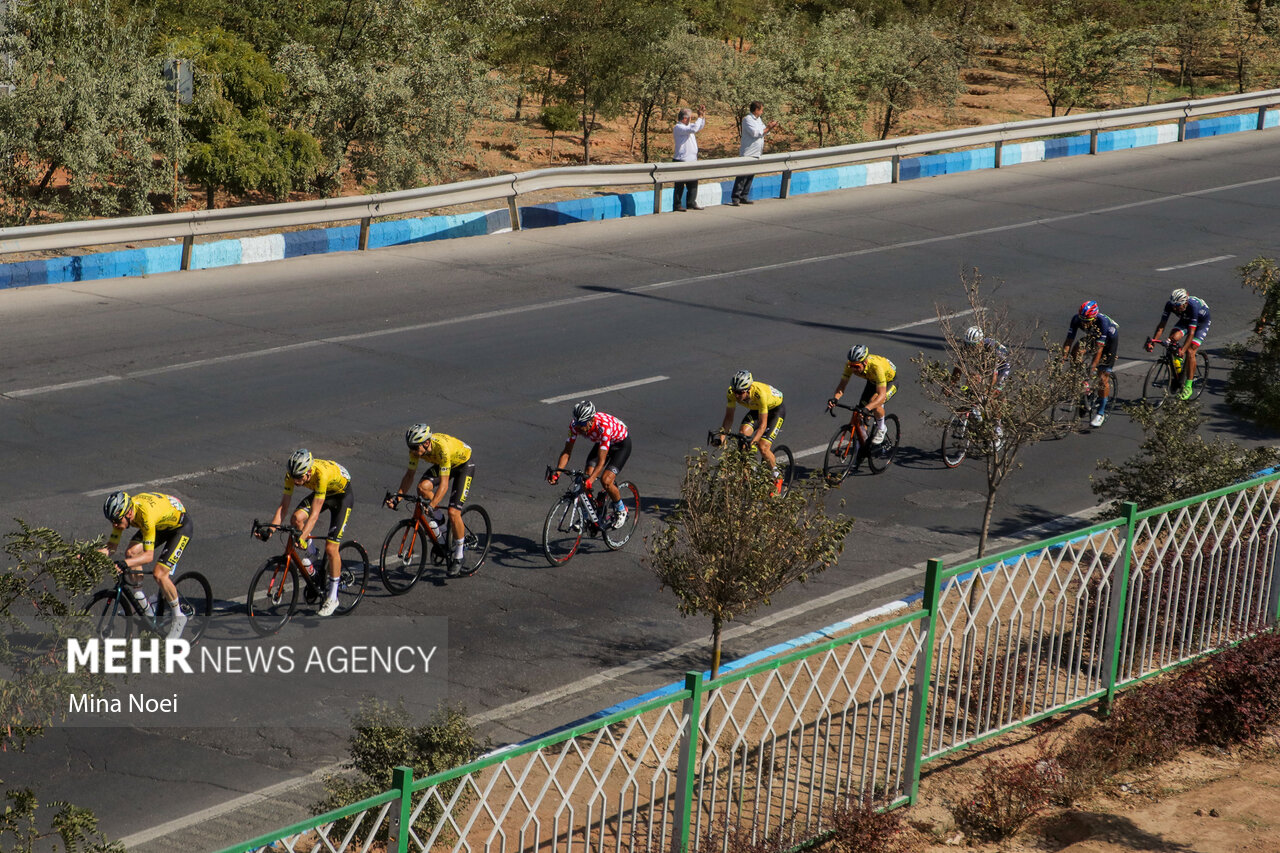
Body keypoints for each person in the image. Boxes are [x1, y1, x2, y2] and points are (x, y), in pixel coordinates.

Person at [257, 449, 353, 616]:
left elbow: (314, 516)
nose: (296, 481)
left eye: (299, 478)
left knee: (331, 549)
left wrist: (301, 537)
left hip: (342, 496)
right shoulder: (292, 475)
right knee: (296, 518)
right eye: (293, 477)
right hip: (323, 493)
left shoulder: (321, 475)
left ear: (309, 472)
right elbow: (283, 507)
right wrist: (270, 530)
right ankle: (312, 552)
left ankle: (333, 597)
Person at [99, 491, 193, 639]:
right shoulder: (123, 513)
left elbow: (148, 557)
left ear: (129, 513)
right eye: (112, 521)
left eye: (117, 521)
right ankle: (142, 601)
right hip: (160, 525)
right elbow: (111, 547)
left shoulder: (146, 516)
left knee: (159, 574)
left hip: (179, 529)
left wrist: (125, 564)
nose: (115, 525)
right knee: (131, 553)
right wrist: (88, 556)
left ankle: (179, 617)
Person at [386, 424, 475, 574]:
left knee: (453, 512)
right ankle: (440, 521)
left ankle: (459, 555)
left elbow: (444, 485)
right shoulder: (415, 450)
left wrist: (432, 505)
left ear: (426, 443)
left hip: (463, 465)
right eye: (411, 447)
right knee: (422, 488)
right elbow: (409, 476)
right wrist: (398, 497)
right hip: (444, 465)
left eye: (415, 447)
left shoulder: (442, 449)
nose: (413, 451)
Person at [547, 401, 632, 529]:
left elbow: (601, 462)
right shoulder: (575, 425)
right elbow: (567, 451)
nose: (579, 428)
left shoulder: (603, 426)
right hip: (602, 443)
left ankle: (621, 509)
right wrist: (557, 473)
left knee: (606, 480)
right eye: (577, 423)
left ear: (591, 420)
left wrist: (591, 480)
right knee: (585, 475)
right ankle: (587, 515)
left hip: (620, 446)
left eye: (582, 424)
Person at [719, 369, 786, 486]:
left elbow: (762, 425)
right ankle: (750, 471)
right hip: (757, 410)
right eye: (735, 391)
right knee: (743, 434)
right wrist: (722, 437)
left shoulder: (760, 394)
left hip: (775, 411)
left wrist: (753, 442)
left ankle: (777, 476)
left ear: (748, 389)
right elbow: (728, 419)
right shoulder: (731, 393)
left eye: (740, 392)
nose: (736, 395)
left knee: (762, 446)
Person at [1146, 288, 1211, 400]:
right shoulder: (1170, 305)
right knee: (1172, 338)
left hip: (1201, 323)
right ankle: (1178, 371)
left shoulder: (1193, 307)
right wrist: (1153, 342)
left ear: (1185, 303)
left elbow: (1191, 333)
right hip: (1186, 319)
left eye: (1178, 306)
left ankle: (1188, 386)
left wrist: (1183, 350)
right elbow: (1161, 326)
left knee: (1190, 350)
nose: (1175, 308)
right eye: (1173, 305)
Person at [1063, 300, 1119, 426]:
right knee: (1076, 348)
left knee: (1102, 376)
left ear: (1094, 318)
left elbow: (1099, 350)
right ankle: (1085, 386)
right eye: (1082, 320)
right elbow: (1069, 341)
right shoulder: (1076, 319)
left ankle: (1100, 413)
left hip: (1109, 340)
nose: (1084, 324)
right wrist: (1062, 359)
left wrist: (1093, 368)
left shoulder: (1103, 322)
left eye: (1087, 322)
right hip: (1094, 336)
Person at [953, 326, 1010, 447]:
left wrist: (986, 392)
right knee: (973, 379)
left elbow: (994, 378)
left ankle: (997, 426)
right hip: (982, 366)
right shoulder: (965, 349)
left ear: (980, 344)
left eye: (972, 346)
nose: (969, 348)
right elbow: (958, 368)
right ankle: (977, 414)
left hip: (1001, 368)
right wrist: (951, 385)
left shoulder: (990, 351)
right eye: (967, 345)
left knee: (993, 394)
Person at [828, 345, 897, 444]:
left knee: (875, 404)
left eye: (856, 366)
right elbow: (842, 386)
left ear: (865, 362)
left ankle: (882, 428)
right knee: (859, 416)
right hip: (872, 381)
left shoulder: (877, 367)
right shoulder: (850, 365)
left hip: (889, 381)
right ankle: (863, 446)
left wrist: (868, 408)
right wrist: (835, 399)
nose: (853, 369)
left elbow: (881, 395)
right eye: (851, 366)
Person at [732, 101, 778, 206]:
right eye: (761, 110)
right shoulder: (748, 119)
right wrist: (768, 128)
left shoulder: (758, 119)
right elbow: (755, 133)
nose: (762, 112)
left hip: (757, 153)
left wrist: (769, 127)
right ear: (756, 110)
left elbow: (764, 131)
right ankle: (736, 197)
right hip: (748, 152)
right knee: (742, 176)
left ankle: (744, 196)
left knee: (750, 176)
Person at [672, 105, 705, 212]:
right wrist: (699, 117)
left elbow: (699, 127)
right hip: (681, 160)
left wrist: (702, 116)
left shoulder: (688, 127)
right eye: (690, 117)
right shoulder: (679, 127)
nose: (691, 119)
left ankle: (691, 202)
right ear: (685, 118)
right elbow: (695, 128)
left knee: (693, 183)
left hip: (691, 160)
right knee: (679, 186)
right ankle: (677, 205)